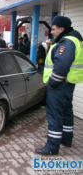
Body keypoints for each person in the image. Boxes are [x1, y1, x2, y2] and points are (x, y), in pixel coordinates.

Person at [35, 16, 83, 155]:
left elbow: (61, 66)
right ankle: (66, 139)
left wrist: (53, 83)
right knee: (67, 112)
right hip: (68, 84)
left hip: (59, 86)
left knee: (55, 116)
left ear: (62, 29)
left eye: (54, 29)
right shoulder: (74, 40)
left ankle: (51, 147)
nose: (52, 32)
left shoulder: (66, 42)